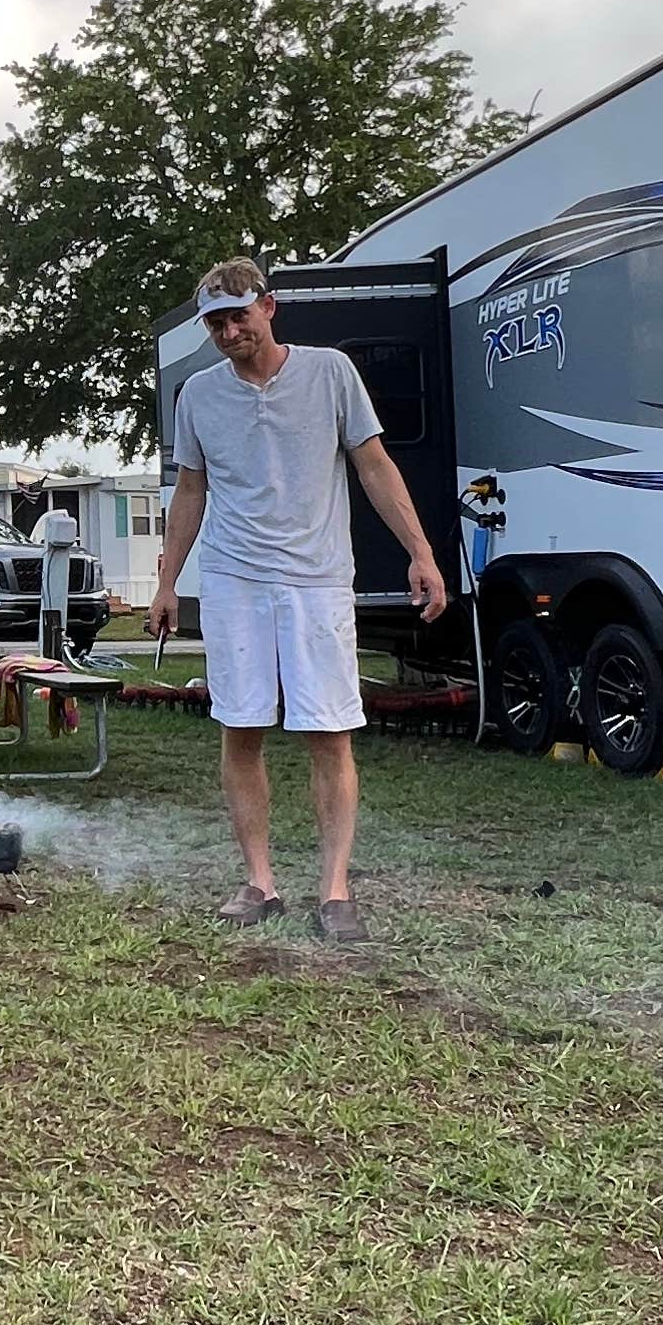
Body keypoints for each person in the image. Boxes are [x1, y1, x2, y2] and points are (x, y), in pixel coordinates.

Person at [149, 256, 449, 940]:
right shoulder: (197, 395)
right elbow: (189, 490)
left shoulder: (329, 373)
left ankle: (335, 891)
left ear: (269, 307)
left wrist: (422, 553)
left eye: (239, 317)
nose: (229, 333)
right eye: (216, 323)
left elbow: (373, 463)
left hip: (316, 579)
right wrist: (168, 582)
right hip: (235, 581)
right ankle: (260, 883)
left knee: (328, 731)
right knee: (242, 726)